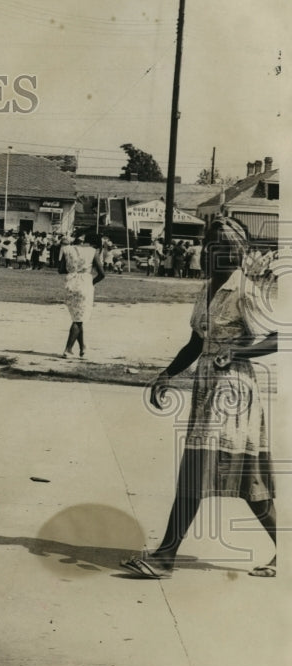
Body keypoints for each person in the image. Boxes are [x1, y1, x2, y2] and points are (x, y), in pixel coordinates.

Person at [122, 218, 277, 580]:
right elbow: (196, 343)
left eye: (221, 249)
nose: (212, 255)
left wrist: (237, 355)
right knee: (246, 480)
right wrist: (166, 375)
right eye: (209, 248)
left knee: (197, 467)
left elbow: (277, 338)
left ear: (237, 254)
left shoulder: (246, 292)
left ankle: (165, 557)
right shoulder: (207, 289)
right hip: (207, 387)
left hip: (234, 392)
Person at [59, 232, 105, 358]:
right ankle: (68, 349)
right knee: (78, 320)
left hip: (70, 283)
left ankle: (82, 347)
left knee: (78, 317)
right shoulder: (92, 252)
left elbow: (61, 270)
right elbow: (102, 274)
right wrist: (91, 282)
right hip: (84, 283)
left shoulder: (67, 249)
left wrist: (73, 269)